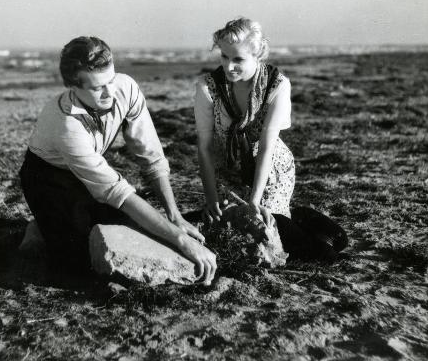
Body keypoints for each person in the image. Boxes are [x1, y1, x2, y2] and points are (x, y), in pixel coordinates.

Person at [19, 36, 216, 284]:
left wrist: (174, 216)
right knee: (78, 262)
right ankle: (39, 227)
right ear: (72, 86)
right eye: (97, 87)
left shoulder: (126, 88)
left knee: (133, 227)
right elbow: (116, 192)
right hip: (47, 176)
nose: (109, 92)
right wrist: (181, 239)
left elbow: (151, 155)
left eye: (110, 80)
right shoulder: (65, 124)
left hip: (89, 171)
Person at [194, 18, 347, 261]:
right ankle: (292, 217)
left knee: (323, 241)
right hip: (230, 170)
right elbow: (204, 147)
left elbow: (266, 145)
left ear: (258, 56)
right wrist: (211, 199)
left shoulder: (277, 85)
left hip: (271, 170)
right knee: (227, 224)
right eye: (224, 56)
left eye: (238, 59)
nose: (228, 66)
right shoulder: (207, 87)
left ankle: (293, 215)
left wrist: (254, 201)